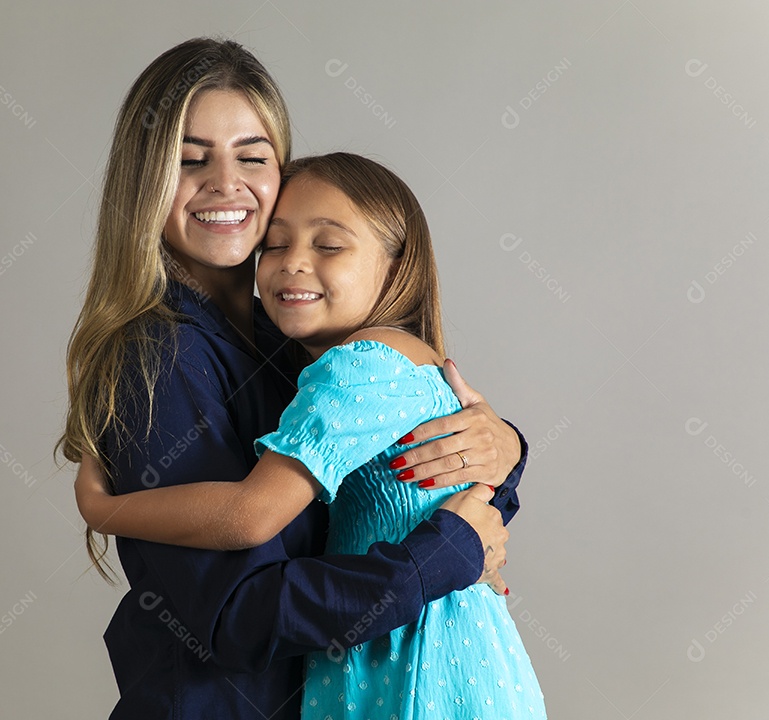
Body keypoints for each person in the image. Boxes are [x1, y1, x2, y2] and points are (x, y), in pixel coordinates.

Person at [56, 38, 529, 720]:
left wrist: (501, 450)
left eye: (252, 157)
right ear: (144, 180)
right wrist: (443, 558)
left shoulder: (296, 337)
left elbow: (393, 474)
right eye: (191, 160)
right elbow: (239, 616)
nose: (226, 183)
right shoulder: (156, 359)